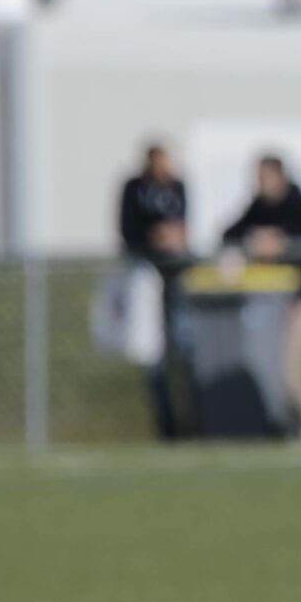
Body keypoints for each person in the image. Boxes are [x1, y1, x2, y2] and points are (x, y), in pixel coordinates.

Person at [221, 154, 301, 443]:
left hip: (300, 303)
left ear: (279, 176)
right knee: (275, 372)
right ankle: (297, 429)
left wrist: (281, 240)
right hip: (270, 305)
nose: (260, 183)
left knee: (292, 371)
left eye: (265, 177)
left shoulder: (299, 207)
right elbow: (229, 232)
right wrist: (254, 238)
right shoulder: (258, 207)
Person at [115, 143, 189, 438]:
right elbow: (127, 229)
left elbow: (184, 225)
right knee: (151, 354)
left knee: (183, 349)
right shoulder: (134, 189)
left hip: (175, 280)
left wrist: (175, 236)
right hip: (145, 280)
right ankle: (166, 423)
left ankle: (191, 419)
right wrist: (153, 236)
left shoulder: (178, 187)